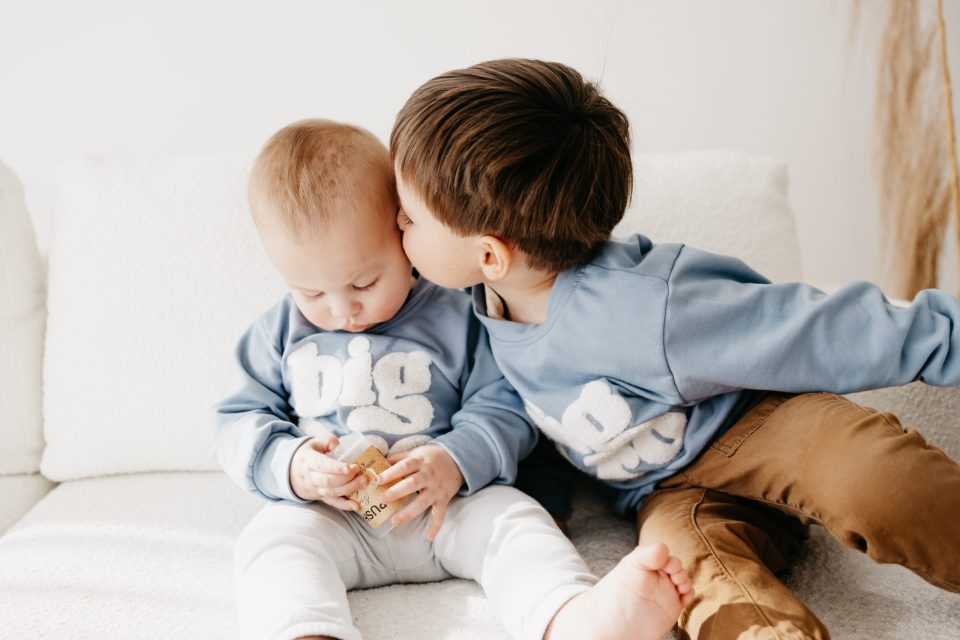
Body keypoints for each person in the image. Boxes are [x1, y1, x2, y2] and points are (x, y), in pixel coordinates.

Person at [389, 58, 960, 639]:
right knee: (687, 581)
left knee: (875, 478)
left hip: (762, 427)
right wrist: (547, 509)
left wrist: (948, 335)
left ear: (490, 254)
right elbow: (526, 419)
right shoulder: (477, 311)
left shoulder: (645, 305)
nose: (396, 225)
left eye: (408, 217)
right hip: (670, 494)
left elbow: (819, 327)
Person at [214, 118, 693, 640]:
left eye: (364, 281)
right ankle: (308, 633)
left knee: (516, 523)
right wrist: (292, 466)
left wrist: (455, 460)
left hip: (452, 505)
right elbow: (239, 419)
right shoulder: (276, 334)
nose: (342, 309)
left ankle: (573, 617)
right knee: (273, 542)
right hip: (337, 517)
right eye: (309, 292)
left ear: (402, 232)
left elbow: (507, 401)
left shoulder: (459, 311)